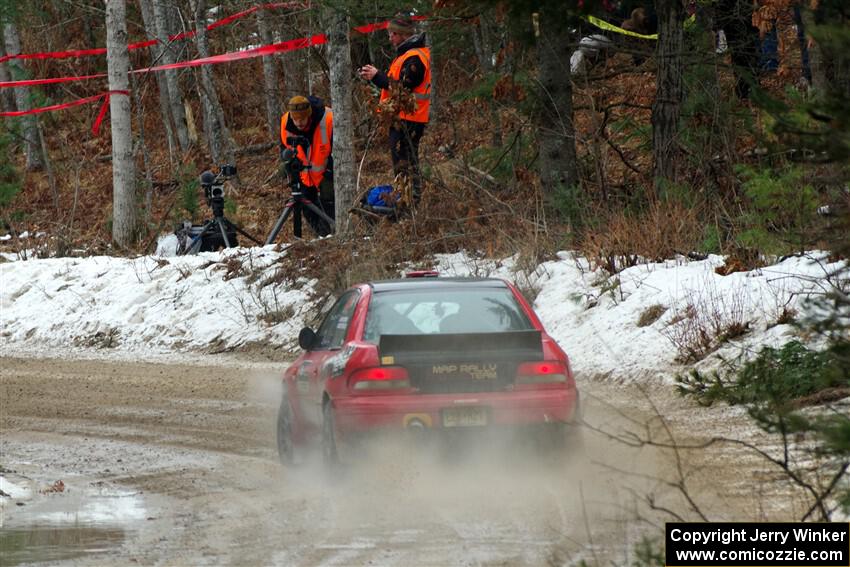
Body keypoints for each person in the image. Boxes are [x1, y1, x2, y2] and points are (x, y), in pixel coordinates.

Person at [357, 14, 431, 201]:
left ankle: (409, 203)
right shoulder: (407, 56)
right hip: (404, 118)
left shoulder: (415, 58)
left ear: (402, 34)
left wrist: (377, 76)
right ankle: (406, 200)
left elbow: (403, 89)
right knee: (404, 163)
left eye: (392, 34)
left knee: (405, 164)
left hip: (409, 119)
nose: (389, 38)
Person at [280, 95, 334, 236]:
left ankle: (332, 234)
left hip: (327, 171)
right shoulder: (285, 121)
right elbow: (283, 147)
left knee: (329, 202)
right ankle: (321, 236)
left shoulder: (328, 119)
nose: (298, 123)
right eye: (295, 119)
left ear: (309, 115)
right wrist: (289, 167)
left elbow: (337, 149)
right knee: (305, 204)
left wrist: (329, 172)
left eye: (302, 119)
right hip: (303, 175)